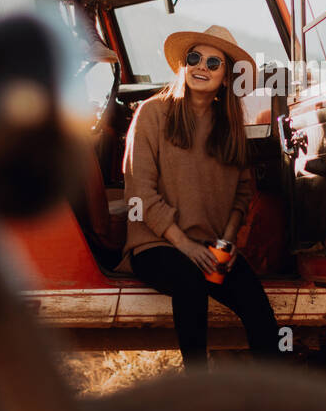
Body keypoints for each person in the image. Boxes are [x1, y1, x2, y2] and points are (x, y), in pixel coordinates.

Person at [120, 25, 281, 370]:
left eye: (213, 62)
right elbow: (140, 193)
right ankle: (199, 388)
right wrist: (186, 246)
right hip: (157, 245)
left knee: (257, 306)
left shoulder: (231, 126)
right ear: (183, 66)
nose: (201, 67)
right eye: (194, 58)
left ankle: (275, 401)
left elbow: (243, 191)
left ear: (225, 77)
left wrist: (227, 238)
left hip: (210, 248)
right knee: (191, 284)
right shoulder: (152, 113)